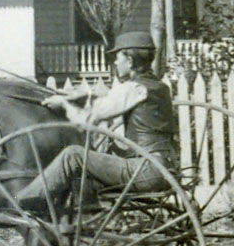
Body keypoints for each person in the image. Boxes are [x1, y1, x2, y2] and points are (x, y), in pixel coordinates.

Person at [16, 31, 178, 214]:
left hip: (144, 171)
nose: (116, 63)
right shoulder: (158, 87)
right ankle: (86, 203)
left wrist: (64, 104)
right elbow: (113, 97)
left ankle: (24, 200)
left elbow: (88, 120)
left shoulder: (133, 88)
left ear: (130, 61)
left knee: (73, 155)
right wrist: (83, 94)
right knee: (98, 153)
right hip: (166, 167)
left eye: (118, 58)